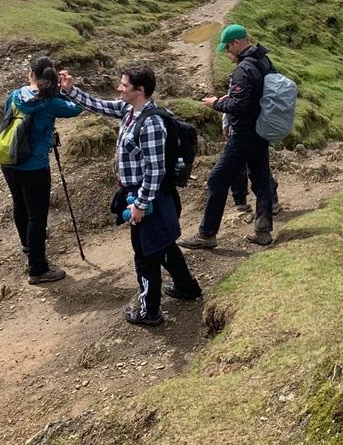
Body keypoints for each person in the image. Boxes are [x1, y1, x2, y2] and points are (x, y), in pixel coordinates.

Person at [59, 65, 202, 327]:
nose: (119, 88)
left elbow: (156, 170)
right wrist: (70, 90)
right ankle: (187, 287)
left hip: (147, 197)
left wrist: (140, 204)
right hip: (144, 195)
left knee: (145, 254)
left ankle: (149, 312)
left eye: (124, 85)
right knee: (163, 244)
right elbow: (99, 105)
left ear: (140, 90)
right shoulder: (129, 111)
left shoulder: (151, 124)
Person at [181, 24, 279, 249]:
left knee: (217, 178)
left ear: (237, 43)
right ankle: (263, 231)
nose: (227, 53)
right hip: (261, 130)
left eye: (227, 48)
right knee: (262, 179)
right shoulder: (264, 61)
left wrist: (216, 103)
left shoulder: (244, 69)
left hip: (244, 134)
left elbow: (239, 104)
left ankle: (207, 235)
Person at [0, 56, 83, 285]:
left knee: (19, 203)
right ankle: (37, 269)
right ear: (53, 77)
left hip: (8, 158)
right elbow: (76, 109)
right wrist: (67, 89)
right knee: (37, 215)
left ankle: (28, 245)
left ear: (30, 74)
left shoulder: (15, 95)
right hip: (34, 164)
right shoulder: (50, 102)